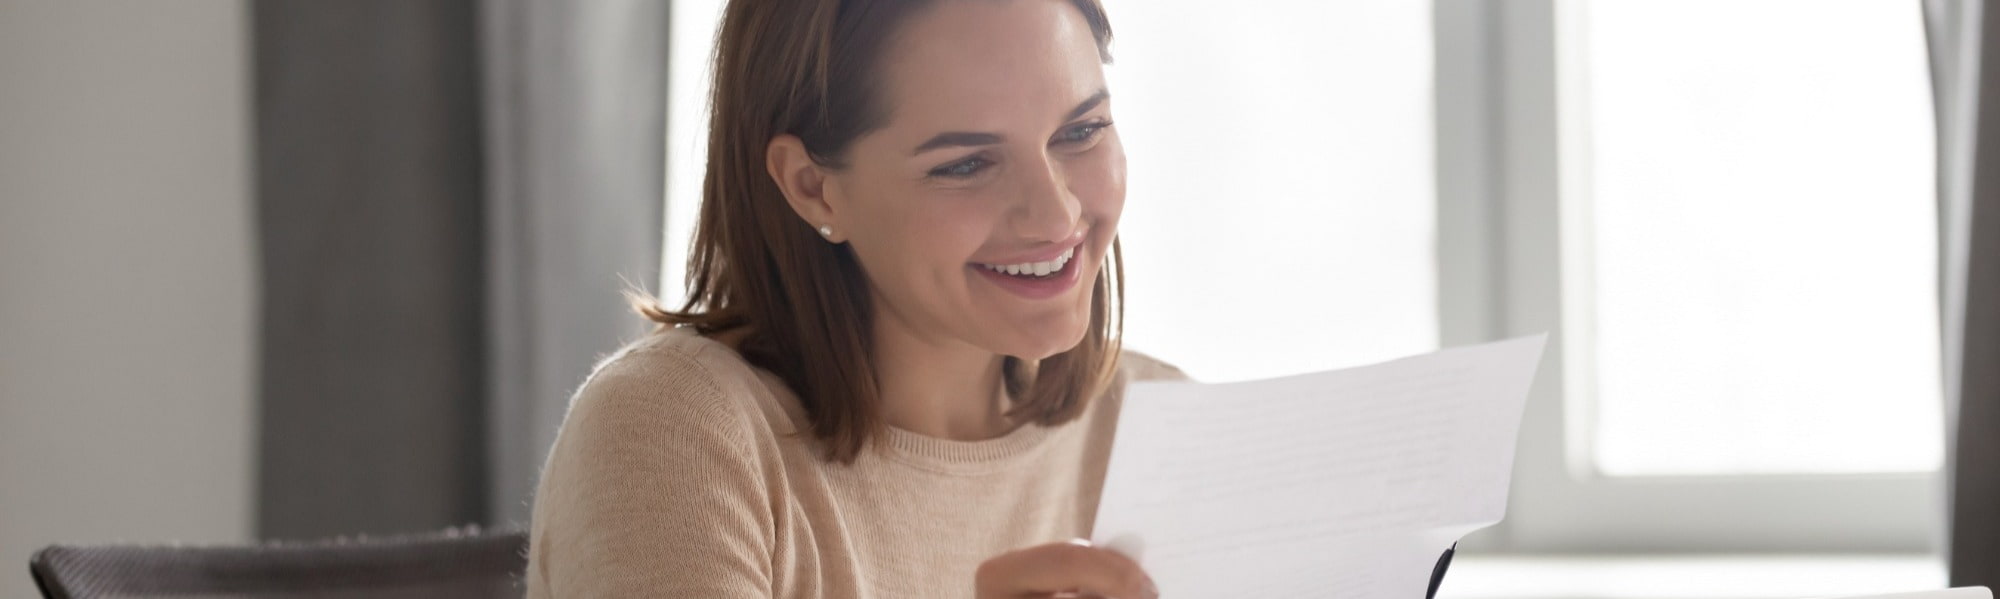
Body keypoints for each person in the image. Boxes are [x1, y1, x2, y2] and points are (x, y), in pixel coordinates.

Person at [525, 0, 1185, 596]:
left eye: (1081, 130)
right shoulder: (676, 432)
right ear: (812, 186)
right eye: (965, 165)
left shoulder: (1165, 426)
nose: (1055, 212)